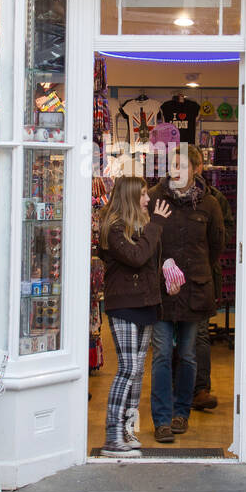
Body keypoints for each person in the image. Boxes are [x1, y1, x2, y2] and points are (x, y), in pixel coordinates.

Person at [147, 145, 224, 443]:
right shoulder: (154, 198)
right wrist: (162, 271)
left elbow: (216, 245)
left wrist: (194, 269)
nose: (175, 171)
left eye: (181, 165)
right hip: (162, 291)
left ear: (195, 169)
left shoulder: (209, 204)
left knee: (189, 355)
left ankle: (182, 412)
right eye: (171, 165)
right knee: (163, 354)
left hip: (195, 289)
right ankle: (162, 419)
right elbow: (145, 239)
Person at [96, 175, 172, 457]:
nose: (147, 199)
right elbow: (137, 257)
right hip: (124, 304)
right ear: (129, 197)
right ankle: (112, 435)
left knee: (138, 370)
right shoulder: (114, 229)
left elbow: (149, 261)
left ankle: (128, 428)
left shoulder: (140, 225)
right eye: (141, 195)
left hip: (147, 303)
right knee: (128, 368)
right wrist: (157, 225)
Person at [170, 145, 233, 411]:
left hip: (203, 276)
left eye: (183, 166)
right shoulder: (165, 195)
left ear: (197, 169)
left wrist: (202, 256)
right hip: (172, 278)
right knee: (174, 335)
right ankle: (179, 389)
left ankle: (200, 389)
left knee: (200, 335)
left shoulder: (214, 199)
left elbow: (223, 235)